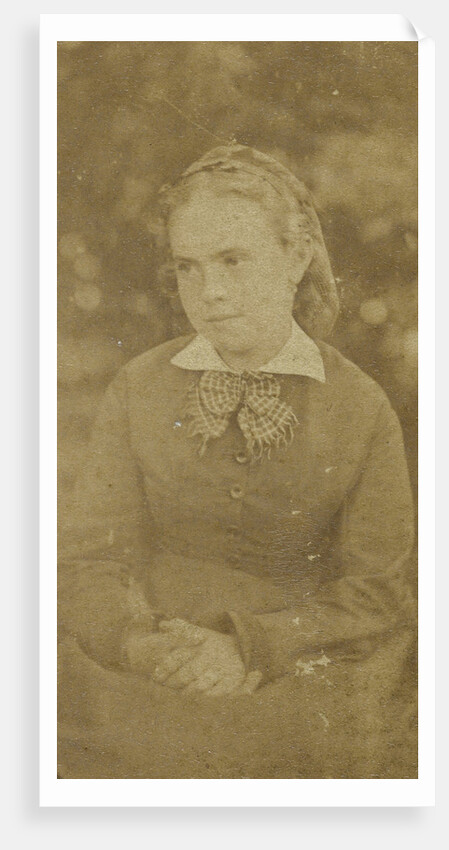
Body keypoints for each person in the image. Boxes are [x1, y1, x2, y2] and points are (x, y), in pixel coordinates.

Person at [58, 143, 417, 779]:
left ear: (296, 256)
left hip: (299, 664)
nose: (210, 292)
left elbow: (376, 593)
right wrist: (140, 644)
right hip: (148, 656)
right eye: (188, 267)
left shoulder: (360, 407)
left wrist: (250, 649)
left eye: (233, 260)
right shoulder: (139, 386)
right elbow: (92, 558)